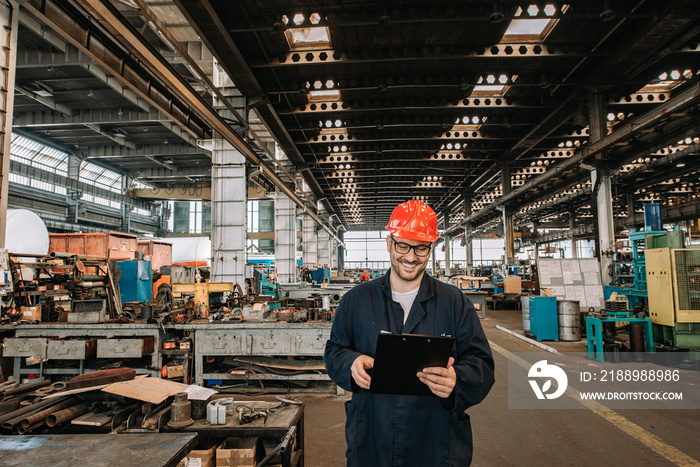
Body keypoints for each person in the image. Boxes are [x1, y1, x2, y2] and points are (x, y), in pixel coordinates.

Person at [325, 199, 495, 466]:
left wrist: (457, 380)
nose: (411, 256)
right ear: (389, 243)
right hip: (372, 439)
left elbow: (482, 364)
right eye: (402, 245)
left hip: (436, 443)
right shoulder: (356, 300)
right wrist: (351, 363)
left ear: (431, 247)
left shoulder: (454, 302)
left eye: (421, 248)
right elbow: (335, 351)